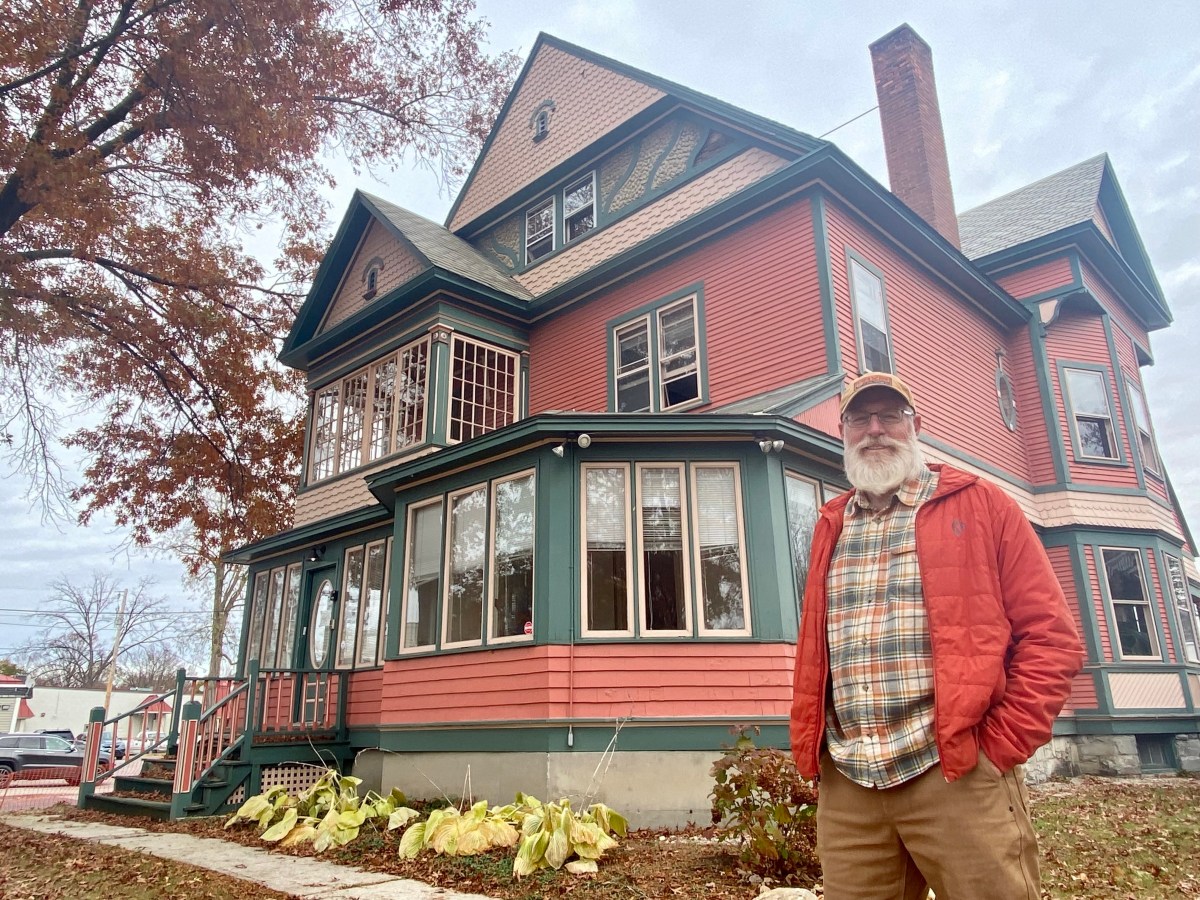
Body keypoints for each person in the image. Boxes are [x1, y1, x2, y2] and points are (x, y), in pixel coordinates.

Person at [789, 371, 1084, 900]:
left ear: (916, 426)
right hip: (852, 783)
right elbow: (817, 650)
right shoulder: (830, 524)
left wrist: (999, 747)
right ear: (844, 432)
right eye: (860, 418)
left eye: (890, 416)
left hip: (954, 771)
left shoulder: (981, 505)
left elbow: (1051, 636)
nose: (875, 430)